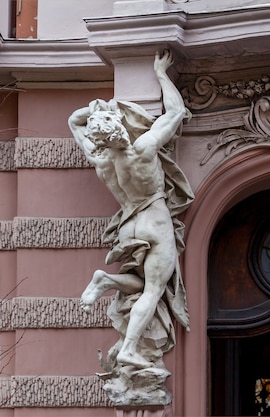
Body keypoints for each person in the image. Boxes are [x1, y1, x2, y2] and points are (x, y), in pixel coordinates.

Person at [68, 50, 193, 370]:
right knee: (153, 290)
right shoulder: (144, 147)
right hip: (154, 218)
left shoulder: (101, 161)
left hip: (128, 223)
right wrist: (161, 73)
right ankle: (129, 349)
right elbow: (177, 111)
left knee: (140, 284)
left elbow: (73, 120)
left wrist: (95, 112)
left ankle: (106, 281)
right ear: (119, 125)